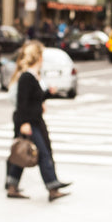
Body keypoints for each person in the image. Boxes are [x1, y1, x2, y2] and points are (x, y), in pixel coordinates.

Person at [5, 40, 71, 201]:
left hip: (34, 120)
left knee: (23, 152)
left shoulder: (32, 76)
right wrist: (24, 124)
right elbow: (23, 102)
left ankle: (12, 185)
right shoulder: (27, 77)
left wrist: (48, 93)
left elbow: (34, 99)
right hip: (30, 121)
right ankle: (52, 187)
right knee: (41, 152)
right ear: (38, 57)